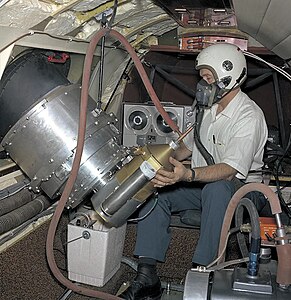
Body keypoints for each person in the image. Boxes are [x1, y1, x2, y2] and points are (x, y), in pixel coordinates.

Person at [120, 43, 268, 300]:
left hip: (244, 192)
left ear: (228, 77)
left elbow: (231, 170)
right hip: (204, 186)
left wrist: (188, 175)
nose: (203, 85)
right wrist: (155, 162)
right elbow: (185, 149)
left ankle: (204, 272)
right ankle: (147, 275)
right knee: (157, 191)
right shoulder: (206, 108)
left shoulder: (249, 116)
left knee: (218, 188)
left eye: (208, 78)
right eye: (202, 78)